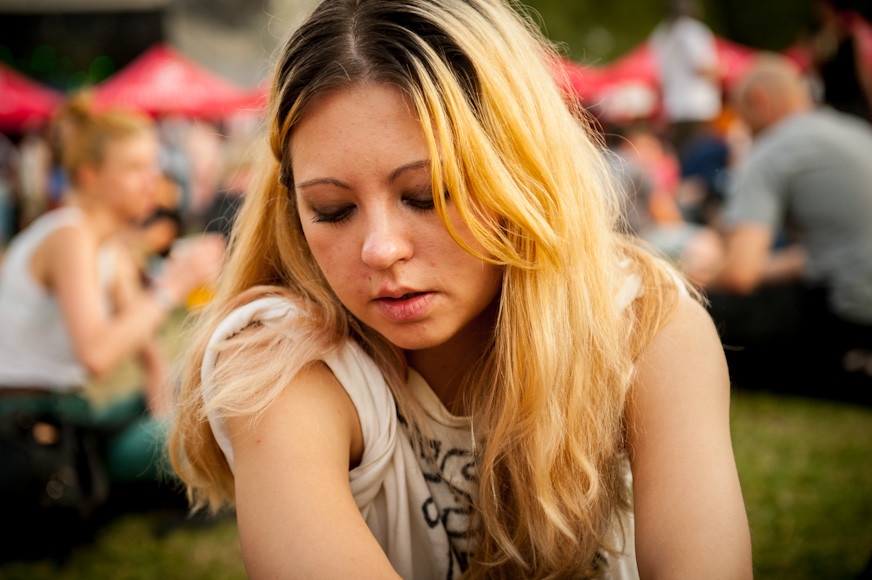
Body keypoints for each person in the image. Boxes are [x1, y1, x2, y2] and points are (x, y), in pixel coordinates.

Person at [169, 1, 752, 578]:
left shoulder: (646, 326)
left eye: (427, 194)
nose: (381, 248)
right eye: (333, 209)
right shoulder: (281, 359)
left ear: (523, 176)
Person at [0, 98, 224, 535]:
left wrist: (166, 414)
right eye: (137, 168)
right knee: (220, 428)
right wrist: (172, 286)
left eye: (154, 166)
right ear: (90, 176)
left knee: (208, 382)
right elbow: (97, 354)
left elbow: (151, 359)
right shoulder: (69, 233)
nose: (152, 181)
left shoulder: (110, 247)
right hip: (32, 428)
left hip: (75, 416)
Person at [697, 54, 872, 397]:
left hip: (853, 315)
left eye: (740, 115)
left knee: (701, 316)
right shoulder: (857, 131)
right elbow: (820, 254)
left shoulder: (773, 149)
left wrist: (696, 279)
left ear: (759, 100)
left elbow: (740, 275)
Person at [649, 0, 722, 158]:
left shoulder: (660, 34)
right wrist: (721, 70)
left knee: (683, 157)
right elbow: (702, 67)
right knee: (702, 159)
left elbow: (659, 75)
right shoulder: (692, 30)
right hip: (698, 107)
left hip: (674, 109)